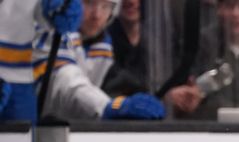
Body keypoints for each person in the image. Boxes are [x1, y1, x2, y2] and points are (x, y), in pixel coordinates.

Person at [33, 0, 164, 121]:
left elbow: (115, 83)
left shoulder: (103, 43)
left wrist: (140, 98)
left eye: (105, 6)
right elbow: (65, 83)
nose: (97, 15)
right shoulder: (50, 34)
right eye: (89, 3)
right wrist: (109, 106)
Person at [0, 0, 83, 122]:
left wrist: (56, 9)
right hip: (17, 81)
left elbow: (40, 15)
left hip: (19, 81)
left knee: (23, 132)